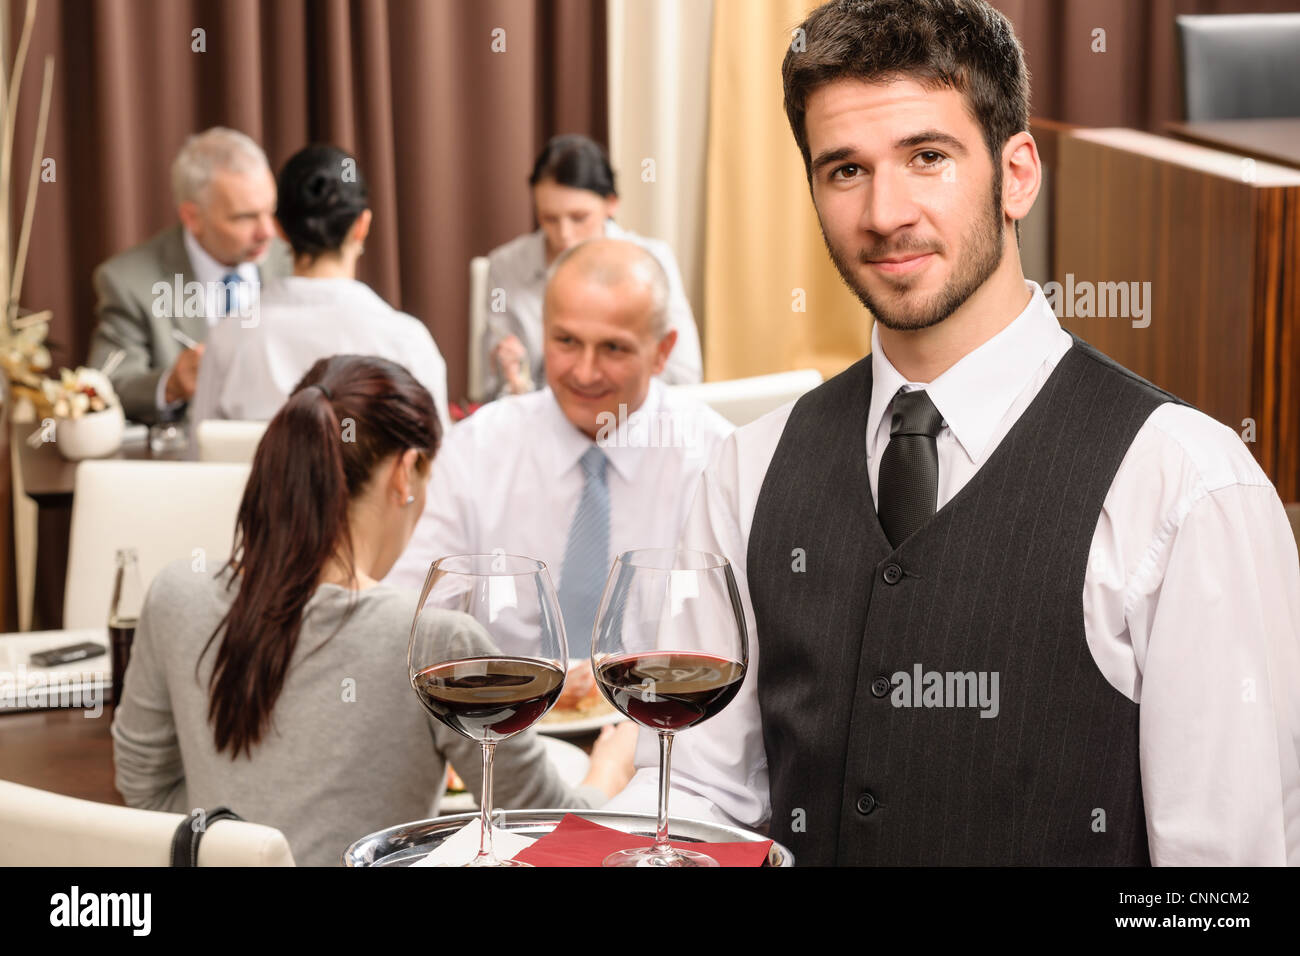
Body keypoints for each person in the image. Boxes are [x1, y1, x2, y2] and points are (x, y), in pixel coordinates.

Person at [606, 0, 1300, 866]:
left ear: (1018, 173)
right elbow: (704, 797)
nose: (885, 213)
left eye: (927, 157)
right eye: (845, 170)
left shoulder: (1187, 484)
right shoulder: (745, 468)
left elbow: (1223, 887)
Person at [112, 355, 635, 866]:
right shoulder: (434, 641)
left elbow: (145, 793)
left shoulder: (174, 594)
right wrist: (609, 767)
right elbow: (550, 834)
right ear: (406, 473)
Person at [387, 238, 733, 696]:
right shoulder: (475, 448)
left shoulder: (715, 460)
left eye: (613, 348)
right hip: (498, 726)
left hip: (660, 730)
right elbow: (408, 616)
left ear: (663, 351)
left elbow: (727, 646)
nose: (585, 373)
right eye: (566, 341)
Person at [190, 144, 450, 432]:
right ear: (362, 225)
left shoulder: (229, 338)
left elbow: (201, 461)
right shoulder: (406, 342)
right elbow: (437, 468)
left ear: (279, 229)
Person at [87, 127, 292, 424]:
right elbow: (106, 385)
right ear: (192, 217)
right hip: (192, 461)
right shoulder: (128, 281)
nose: (267, 232)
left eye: (270, 211)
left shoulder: (295, 260)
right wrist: (170, 385)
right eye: (244, 217)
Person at [481, 134, 703, 398]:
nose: (564, 234)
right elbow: (493, 388)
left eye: (579, 218)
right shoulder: (506, 266)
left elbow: (684, 375)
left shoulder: (652, 261)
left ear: (611, 204)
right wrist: (511, 377)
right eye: (548, 218)